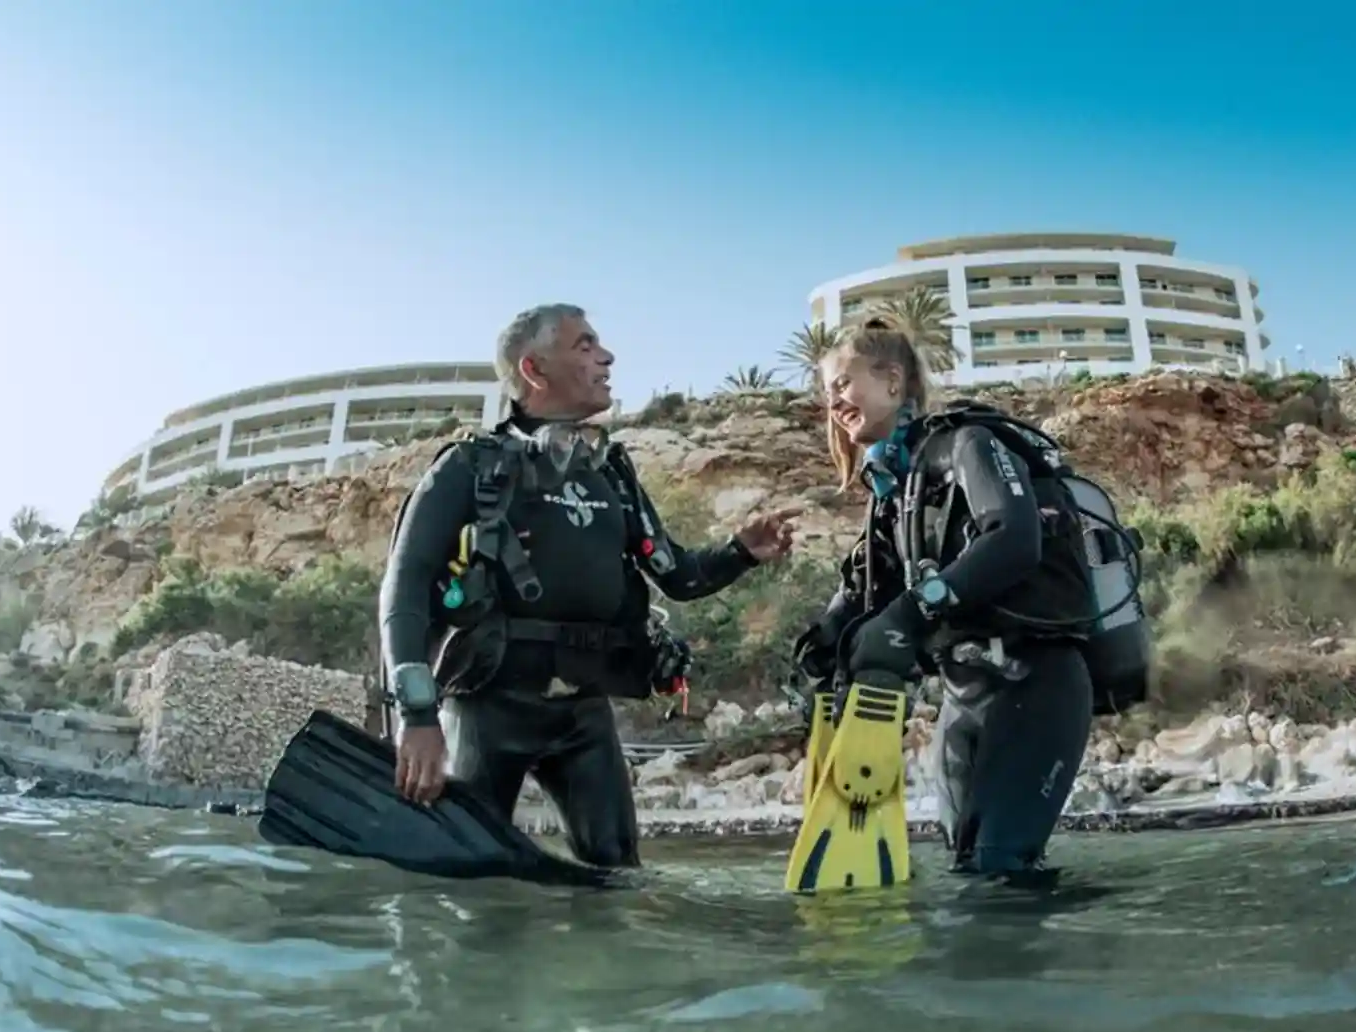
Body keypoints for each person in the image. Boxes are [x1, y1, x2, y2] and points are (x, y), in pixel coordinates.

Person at [378, 303, 798, 867]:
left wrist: (740, 552)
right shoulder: (468, 468)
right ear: (534, 369)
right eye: (585, 345)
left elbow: (678, 574)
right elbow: (403, 591)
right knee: (463, 884)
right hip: (485, 711)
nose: (607, 356)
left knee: (618, 877)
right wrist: (418, 718)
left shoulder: (612, 474)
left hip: (582, 717)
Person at [793, 317, 1102, 882]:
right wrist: (821, 645)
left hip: (1037, 684)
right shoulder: (896, 494)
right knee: (968, 872)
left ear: (891, 381)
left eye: (841, 383)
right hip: (962, 699)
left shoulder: (967, 444)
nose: (832, 401)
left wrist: (911, 613)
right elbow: (864, 593)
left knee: (1001, 870)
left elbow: (1015, 538)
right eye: (826, 392)